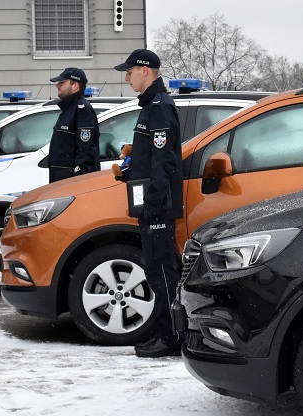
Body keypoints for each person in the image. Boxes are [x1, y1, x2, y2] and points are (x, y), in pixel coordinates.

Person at [114, 49, 183, 358]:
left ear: (145, 70)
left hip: (157, 206)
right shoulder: (150, 106)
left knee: (162, 271)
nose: (126, 77)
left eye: (129, 71)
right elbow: (151, 157)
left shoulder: (159, 107)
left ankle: (170, 337)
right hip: (150, 202)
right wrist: (131, 166)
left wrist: (152, 201)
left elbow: (165, 161)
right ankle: (165, 331)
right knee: (156, 268)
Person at [47, 67, 101, 182]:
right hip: (60, 179)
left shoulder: (82, 109)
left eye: (62, 82)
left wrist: (77, 180)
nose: (58, 85)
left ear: (75, 86)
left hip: (71, 181)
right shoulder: (68, 110)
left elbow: (86, 150)